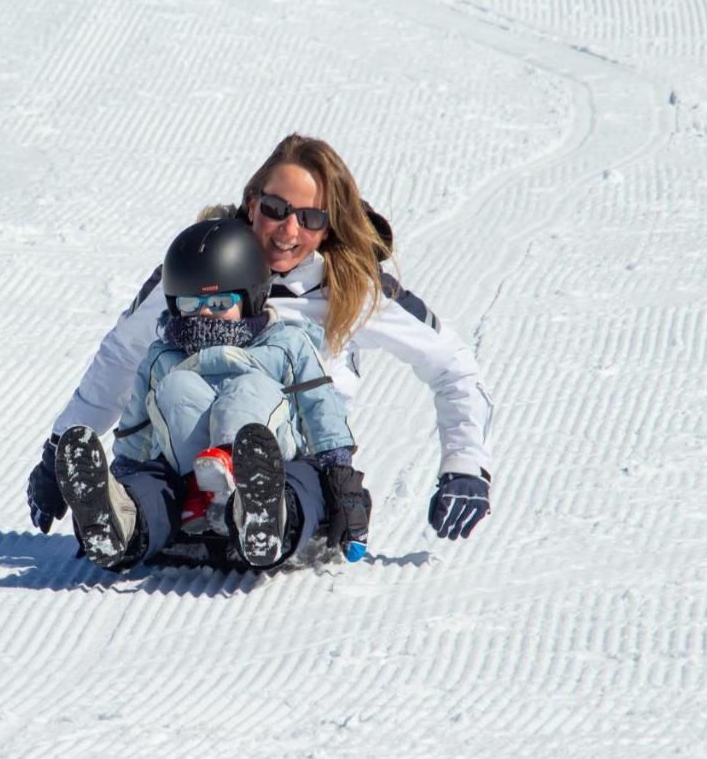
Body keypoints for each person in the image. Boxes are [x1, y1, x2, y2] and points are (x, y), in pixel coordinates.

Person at [28, 133, 494, 564]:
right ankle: (120, 522)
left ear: (330, 226)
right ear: (252, 202)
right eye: (275, 208)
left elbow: (452, 367)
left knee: (296, 478)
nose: (288, 230)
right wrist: (58, 449)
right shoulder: (199, 267)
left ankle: (264, 516)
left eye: (311, 218)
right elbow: (122, 355)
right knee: (149, 479)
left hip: (291, 464)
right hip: (183, 459)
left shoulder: (353, 290)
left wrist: (464, 464)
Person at [50, 219, 371, 571]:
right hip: (186, 488)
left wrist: (340, 474)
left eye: (220, 302)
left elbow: (320, 410)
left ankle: (264, 514)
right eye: (191, 303)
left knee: (303, 474)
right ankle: (122, 523)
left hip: (276, 467)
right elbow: (136, 432)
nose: (205, 313)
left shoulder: (287, 344)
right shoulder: (163, 356)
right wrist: (123, 479)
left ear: (251, 297)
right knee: (160, 456)